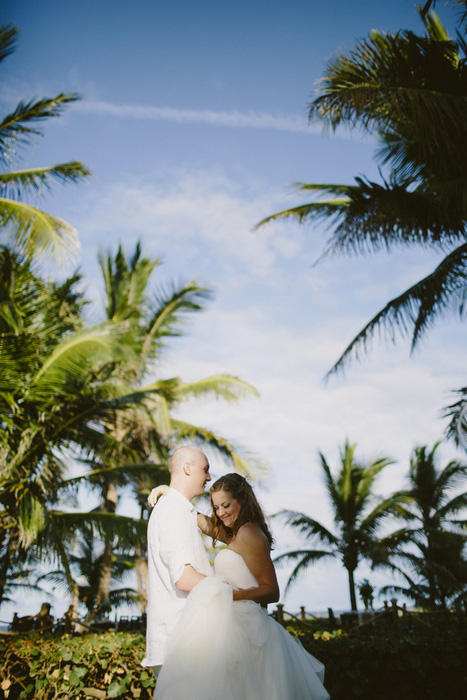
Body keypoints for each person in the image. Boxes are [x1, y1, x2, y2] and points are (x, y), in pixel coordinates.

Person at [148, 472, 330, 700]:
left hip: (251, 632)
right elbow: (204, 523)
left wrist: (230, 594)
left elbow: (271, 590)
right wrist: (173, 496)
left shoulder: (250, 533)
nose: (220, 513)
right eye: (215, 507)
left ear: (242, 501)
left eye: (226, 505)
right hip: (232, 628)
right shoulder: (235, 534)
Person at [141, 446, 212, 679]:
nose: (209, 477)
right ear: (188, 468)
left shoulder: (178, 508)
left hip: (182, 644)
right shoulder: (173, 510)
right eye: (206, 469)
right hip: (182, 647)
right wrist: (233, 591)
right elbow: (184, 577)